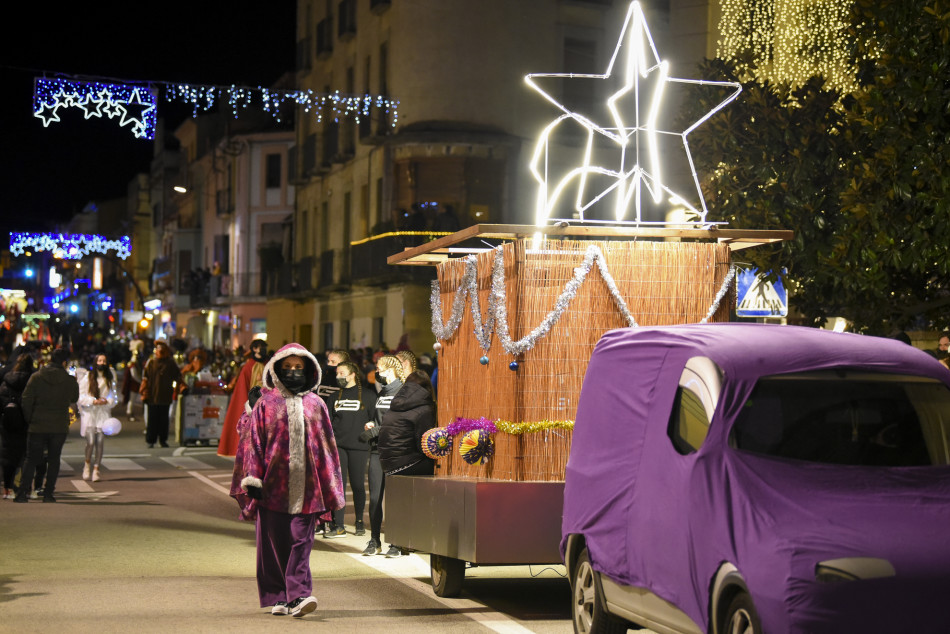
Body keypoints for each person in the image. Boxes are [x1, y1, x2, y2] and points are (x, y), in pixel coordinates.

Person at [230, 343, 345, 618]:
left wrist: (330, 485)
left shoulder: (316, 404)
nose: (293, 372)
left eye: (299, 368)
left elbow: (327, 447)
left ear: (309, 370)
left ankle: (299, 594)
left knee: (300, 542)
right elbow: (252, 443)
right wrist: (252, 479)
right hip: (272, 487)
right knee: (273, 543)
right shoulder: (266, 404)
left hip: (308, 488)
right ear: (277, 369)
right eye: (288, 367)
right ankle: (278, 595)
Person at [376, 366, 437, 557]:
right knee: (441, 474)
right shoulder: (425, 408)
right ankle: (428, 535)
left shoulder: (397, 401)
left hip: (388, 464)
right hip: (408, 463)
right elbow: (424, 442)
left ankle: (398, 542)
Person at [14, 347, 79, 503]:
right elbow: (74, 398)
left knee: (31, 459)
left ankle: (23, 493)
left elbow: (26, 400)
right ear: (64, 362)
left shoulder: (36, 377)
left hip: (37, 424)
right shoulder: (69, 380)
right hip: (59, 426)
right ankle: (48, 493)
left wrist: (30, 418)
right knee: (54, 459)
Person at [358, 354, 404, 556]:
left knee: (395, 499)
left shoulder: (403, 391)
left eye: (379, 368)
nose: (377, 372)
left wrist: (377, 429)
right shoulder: (382, 392)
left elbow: (399, 423)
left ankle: (396, 543)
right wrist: (372, 425)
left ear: (391, 369)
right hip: (377, 450)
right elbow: (379, 418)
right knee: (375, 498)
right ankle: (374, 540)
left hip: (395, 451)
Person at [325, 362, 376, 538]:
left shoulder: (369, 396)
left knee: (357, 485)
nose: (338, 376)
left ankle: (359, 520)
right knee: (338, 485)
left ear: (353, 374)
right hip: (338, 446)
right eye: (337, 373)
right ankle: (338, 524)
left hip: (359, 447)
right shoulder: (333, 397)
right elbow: (328, 422)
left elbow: (374, 420)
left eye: (342, 373)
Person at [218, 339, 268, 457]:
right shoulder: (248, 367)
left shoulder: (269, 365)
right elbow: (242, 388)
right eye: (260, 347)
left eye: (264, 346)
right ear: (254, 349)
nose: (263, 349)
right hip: (252, 405)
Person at [77, 354, 117, 482]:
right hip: (90, 414)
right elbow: (81, 396)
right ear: (95, 362)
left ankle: (96, 469)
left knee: (100, 442)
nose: (102, 362)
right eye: (99, 360)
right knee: (90, 442)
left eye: (104, 361)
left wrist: (106, 401)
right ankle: (87, 464)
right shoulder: (87, 377)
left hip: (103, 414)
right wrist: (93, 401)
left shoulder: (110, 378)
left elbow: (114, 398)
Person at [0, 353, 35, 499]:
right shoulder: (33, 380)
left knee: (8, 456)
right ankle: (26, 488)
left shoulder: (6, 381)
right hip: (27, 422)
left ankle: (7, 489)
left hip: (8, 422)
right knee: (27, 457)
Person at [139, 340, 182, 448]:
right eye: (158, 349)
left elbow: (178, 376)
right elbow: (145, 378)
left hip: (165, 396)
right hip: (152, 396)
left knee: (164, 420)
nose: (160, 351)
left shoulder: (171, 363)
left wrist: (178, 388)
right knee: (152, 420)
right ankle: (151, 440)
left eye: (162, 349)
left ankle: (163, 440)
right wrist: (144, 391)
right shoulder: (151, 362)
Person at [121, 339, 145, 420]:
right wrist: (140, 381)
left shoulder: (136, 362)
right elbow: (134, 375)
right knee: (132, 399)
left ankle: (131, 413)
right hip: (133, 384)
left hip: (135, 383)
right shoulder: (133, 363)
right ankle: (129, 413)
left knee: (133, 399)